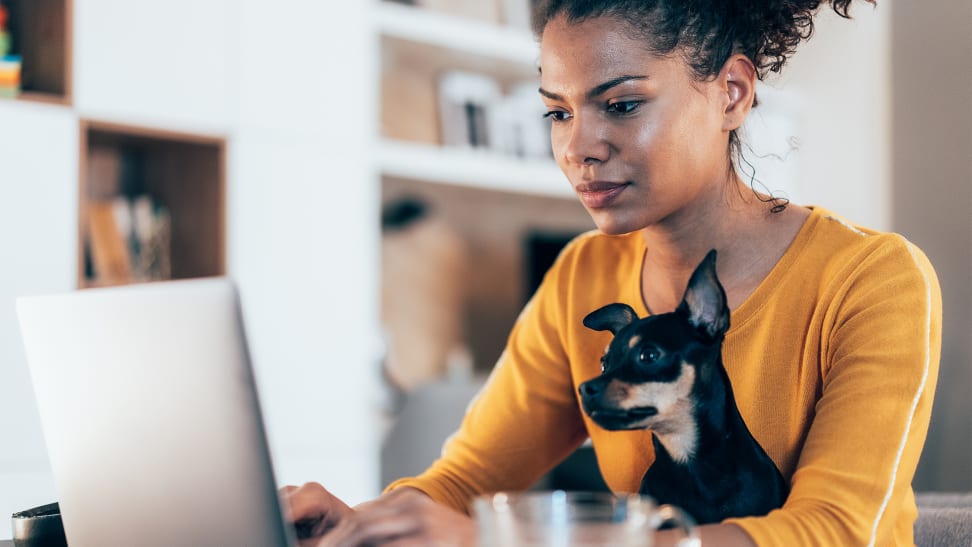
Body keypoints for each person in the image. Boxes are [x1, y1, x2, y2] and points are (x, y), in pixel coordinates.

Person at [284, 0, 942, 545]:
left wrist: (504, 540)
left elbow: (833, 531)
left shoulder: (874, 279)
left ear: (732, 93)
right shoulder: (583, 275)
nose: (577, 148)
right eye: (559, 111)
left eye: (621, 105)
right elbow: (465, 480)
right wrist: (365, 523)